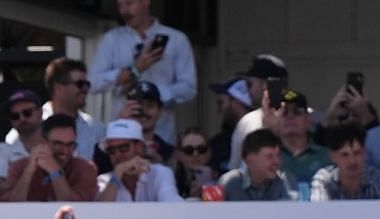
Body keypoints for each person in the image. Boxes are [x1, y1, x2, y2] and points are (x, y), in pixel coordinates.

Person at [92, 0, 196, 144]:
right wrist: (133, 70)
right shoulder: (111, 40)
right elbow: (93, 83)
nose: (124, 11)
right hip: (123, 134)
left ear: (146, 2)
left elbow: (189, 88)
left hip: (161, 135)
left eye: (129, 3)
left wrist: (153, 95)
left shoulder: (177, 40)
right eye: (120, 5)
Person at [96, 119, 178, 202]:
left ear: (140, 147)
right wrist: (117, 174)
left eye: (123, 148)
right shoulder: (103, 180)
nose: (117, 155)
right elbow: (98, 212)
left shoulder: (160, 174)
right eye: (111, 150)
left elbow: (173, 206)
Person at [220, 128, 294, 201]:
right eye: (269, 156)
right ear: (250, 160)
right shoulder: (229, 183)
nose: (276, 161)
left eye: (278, 155)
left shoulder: (285, 181)